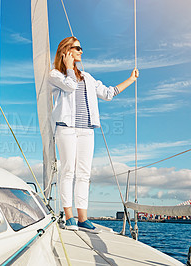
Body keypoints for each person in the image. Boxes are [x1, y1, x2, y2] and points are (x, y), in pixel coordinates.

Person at [49, 36, 139, 233]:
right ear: (67, 51)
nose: (82, 51)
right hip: (67, 129)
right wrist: (70, 68)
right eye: (78, 48)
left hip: (87, 131)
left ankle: (83, 218)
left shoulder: (88, 78)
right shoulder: (55, 75)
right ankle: (69, 216)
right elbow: (70, 85)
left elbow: (108, 93)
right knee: (68, 171)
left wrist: (131, 80)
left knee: (84, 174)